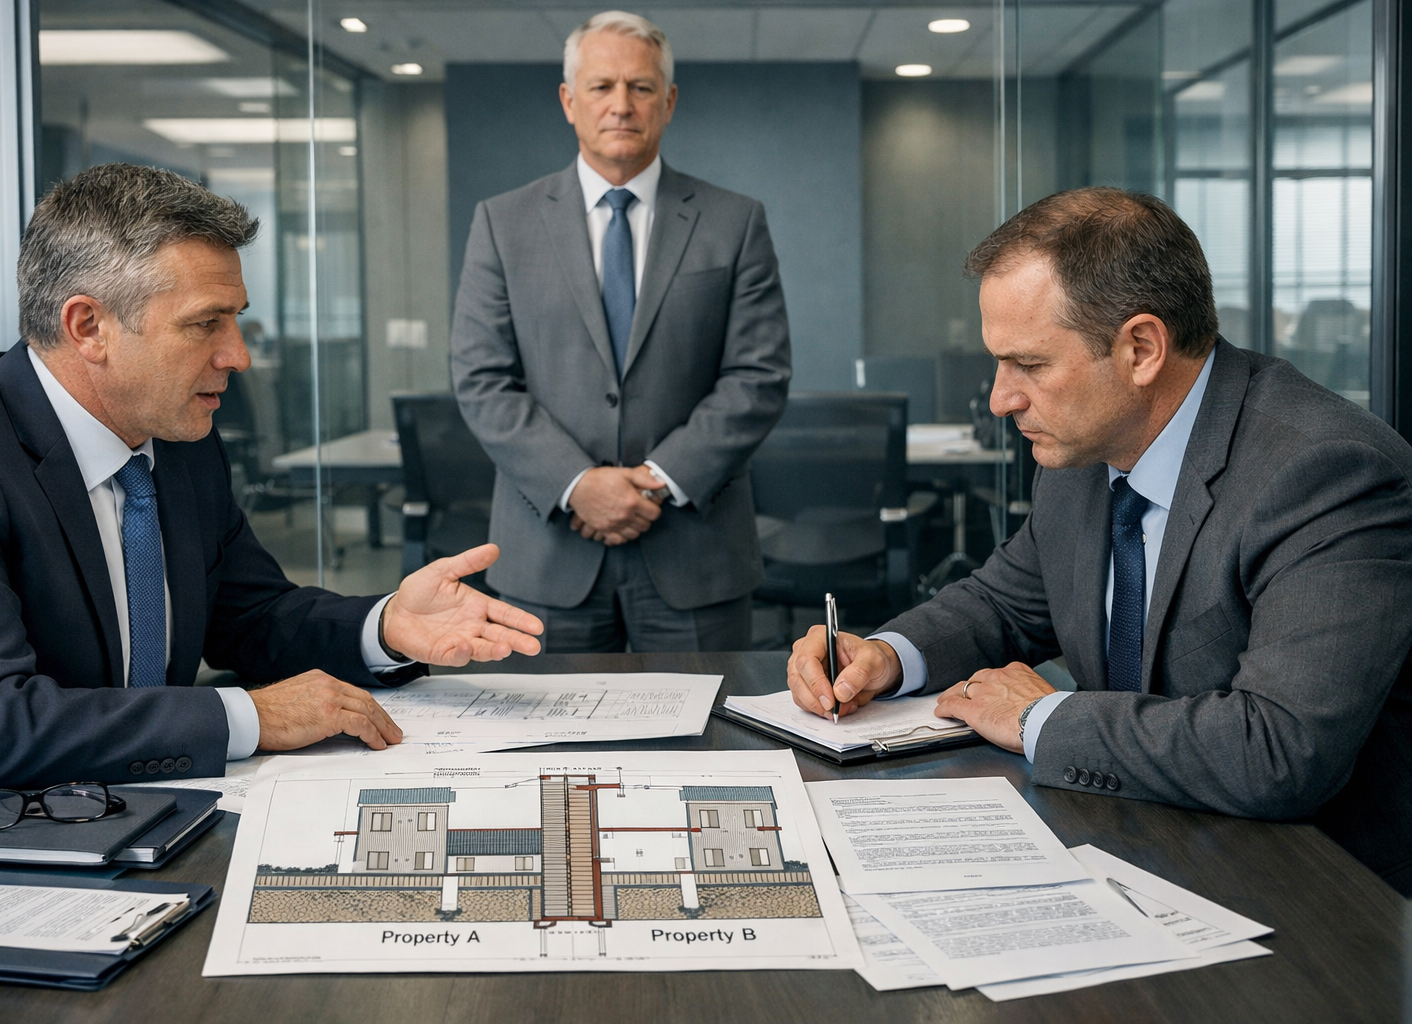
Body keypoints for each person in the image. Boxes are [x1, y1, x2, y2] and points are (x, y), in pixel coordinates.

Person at [0, 164, 544, 833]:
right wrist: (252, 715)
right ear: (88, 327)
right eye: (206, 323)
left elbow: (252, 616)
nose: (238, 356)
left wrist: (388, 624)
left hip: (142, 818)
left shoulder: (179, 439)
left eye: (237, 320)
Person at [785, 187, 1412, 893]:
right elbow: (1006, 602)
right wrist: (884, 656)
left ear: (1141, 347)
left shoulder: (1325, 471)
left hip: (1316, 893)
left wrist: (1039, 717)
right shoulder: (1090, 447)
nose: (1000, 399)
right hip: (1138, 842)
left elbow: (1278, 750)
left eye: (1029, 365)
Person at [451, 10, 791, 653]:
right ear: (568, 100)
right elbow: (481, 378)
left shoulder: (734, 221)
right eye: (602, 86)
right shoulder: (503, 222)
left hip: (695, 552)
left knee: (707, 749)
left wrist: (654, 480)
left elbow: (758, 376)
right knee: (544, 752)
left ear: (668, 101)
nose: (621, 105)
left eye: (640, 87)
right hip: (548, 554)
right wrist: (580, 485)